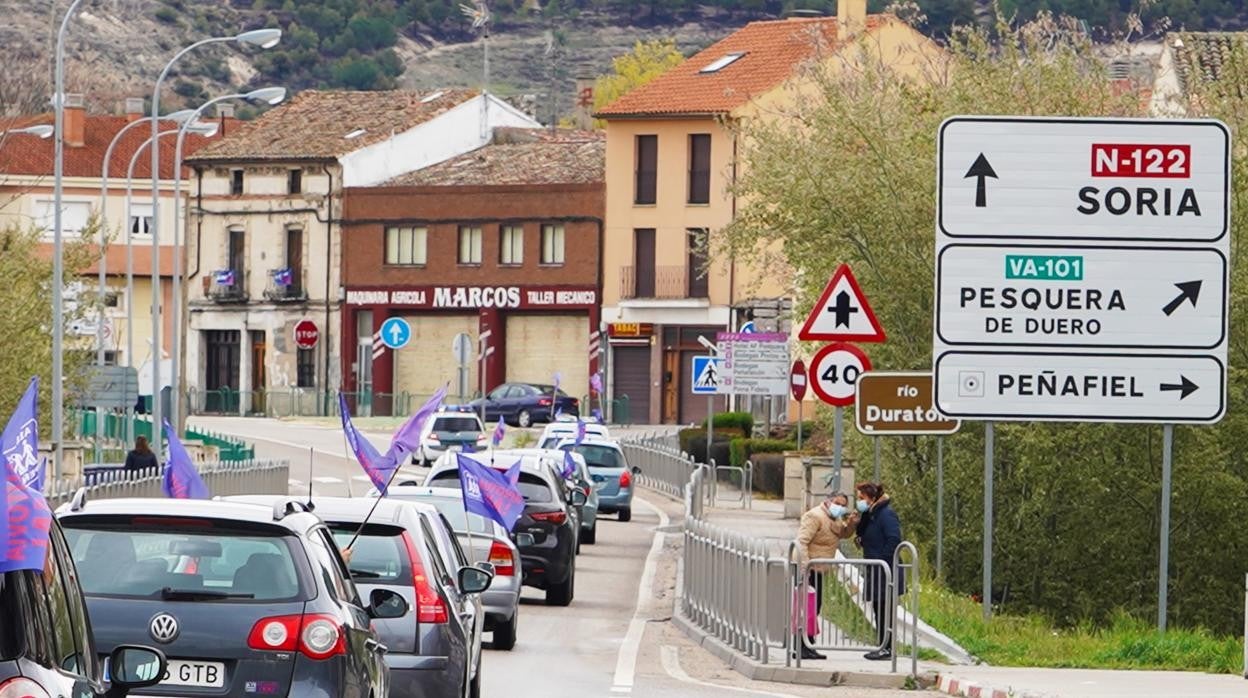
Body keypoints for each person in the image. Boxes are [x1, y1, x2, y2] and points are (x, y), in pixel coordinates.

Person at [794, 492, 857, 660]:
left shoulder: (834, 518)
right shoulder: (815, 516)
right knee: (806, 608)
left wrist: (851, 524)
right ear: (828, 502)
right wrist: (804, 568)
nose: (840, 507)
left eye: (843, 505)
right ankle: (801, 646)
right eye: (837, 503)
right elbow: (802, 542)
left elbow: (842, 533)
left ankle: (808, 644)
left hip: (819, 569)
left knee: (814, 607)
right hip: (809, 569)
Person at [854, 482, 903, 661]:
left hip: (885, 570)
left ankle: (887, 648)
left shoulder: (886, 514)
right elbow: (865, 533)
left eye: (861, 498)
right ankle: (883, 645)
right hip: (876, 569)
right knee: (878, 608)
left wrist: (882, 561)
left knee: (884, 610)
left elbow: (894, 539)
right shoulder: (872, 515)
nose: (859, 502)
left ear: (872, 498)